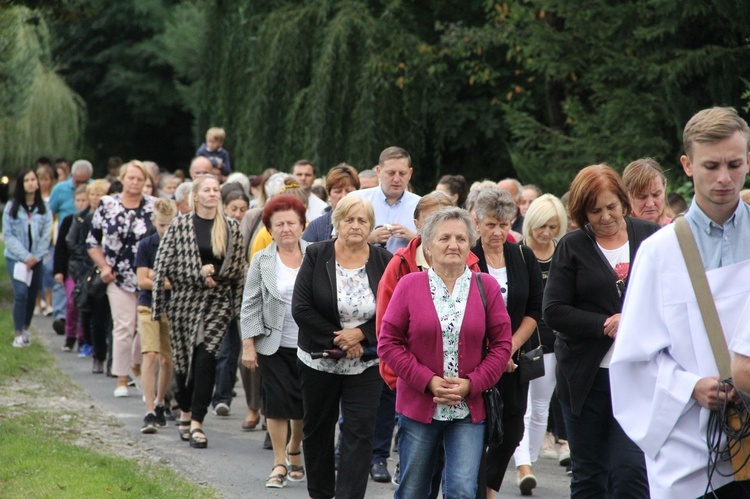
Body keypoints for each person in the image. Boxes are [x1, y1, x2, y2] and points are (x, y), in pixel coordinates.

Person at [610, 106, 750, 498]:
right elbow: (632, 361)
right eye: (711, 165)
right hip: (689, 445)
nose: (724, 178)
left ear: (749, 161)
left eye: (734, 164)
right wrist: (689, 386)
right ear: (687, 165)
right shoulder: (660, 252)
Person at [379, 207, 512, 498]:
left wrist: (471, 384)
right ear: (428, 246)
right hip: (418, 405)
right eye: (445, 238)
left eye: (461, 238)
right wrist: (428, 381)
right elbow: (387, 342)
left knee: (463, 490)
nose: (454, 244)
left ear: (470, 244)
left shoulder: (485, 286)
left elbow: (502, 345)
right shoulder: (409, 285)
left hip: (468, 408)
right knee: (413, 489)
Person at [544, 163, 658, 498]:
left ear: (623, 202)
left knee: (631, 473)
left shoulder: (650, 236)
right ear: (582, 212)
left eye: (611, 207)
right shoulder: (572, 246)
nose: (605, 217)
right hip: (585, 378)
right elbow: (553, 311)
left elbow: (671, 298)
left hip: (638, 376)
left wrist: (631, 319)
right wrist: (603, 325)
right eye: (595, 211)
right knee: (590, 476)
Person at [292, 195, 392, 499]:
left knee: (360, 434)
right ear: (337, 222)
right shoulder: (316, 254)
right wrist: (341, 338)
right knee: (318, 431)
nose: (355, 226)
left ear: (371, 226)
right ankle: (320, 493)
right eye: (349, 219)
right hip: (320, 360)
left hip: (366, 363)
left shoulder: (384, 261)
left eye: (362, 220)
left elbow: (393, 312)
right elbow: (302, 308)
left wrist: (361, 335)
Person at [151, 175, 246, 448]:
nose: (213, 194)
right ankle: (185, 409)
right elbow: (163, 266)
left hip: (218, 302)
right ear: (195, 195)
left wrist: (237, 309)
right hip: (184, 302)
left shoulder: (231, 227)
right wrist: (196, 273)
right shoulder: (180, 226)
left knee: (206, 359)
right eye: (207, 190)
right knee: (183, 363)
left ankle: (197, 422)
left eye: (216, 190)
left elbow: (239, 270)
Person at [469, 189, 544, 497]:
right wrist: (494, 351)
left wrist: (510, 346)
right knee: (475, 431)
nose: (498, 232)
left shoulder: (522, 255)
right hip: (474, 358)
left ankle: (487, 488)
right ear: (476, 221)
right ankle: (474, 490)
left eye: (504, 224)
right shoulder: (468, 255)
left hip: (514, 361)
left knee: (512, 429)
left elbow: (536, 308)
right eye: (490, 225)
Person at [240, 194, 309, 488]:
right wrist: (248, 344)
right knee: (277, 404)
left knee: (305, 405)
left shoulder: (316, 254)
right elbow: (250, 303)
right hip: (273, 344)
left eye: (291, 223)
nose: (285, 229)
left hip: (309, 345)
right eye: (278, 224)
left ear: (302, 226)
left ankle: (296, 447)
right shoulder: (262, 259)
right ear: (269, 229)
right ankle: (280, 462)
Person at [512, 194, 569, 495]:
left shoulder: (563, 251)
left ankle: (529, 461)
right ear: (530, 223)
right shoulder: (518, 253)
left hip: (554, 343)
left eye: (552, 226)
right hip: (522, 341)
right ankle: (524, 466)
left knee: (540, 407)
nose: (545, 233)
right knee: (522, 407)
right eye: (540, 227)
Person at [87, 160, 156, 398]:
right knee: (124, 326)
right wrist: (104, 266)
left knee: (144, 327)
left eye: (140, 179)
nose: (135, 183)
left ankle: (137, 365)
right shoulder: (108, 204)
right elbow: (92, 241)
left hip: (147, 276)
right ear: (123, 179)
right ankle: (122, 378)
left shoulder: (153, 206)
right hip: (118, 277)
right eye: (131, 178)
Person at [135, 198, 178, 433]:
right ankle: (149, 409)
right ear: (154, 222)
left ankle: (161, 401)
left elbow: (182, 280)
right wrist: (165, 279)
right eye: (162, 225)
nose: (166, 230)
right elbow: (142, 281)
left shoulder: (181, 247)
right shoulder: (146, 245)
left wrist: (155, 275)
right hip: (148, 306)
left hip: (172, 308)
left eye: (170, 225)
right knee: (150, 354)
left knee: (166, 359)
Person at [211, 189, 251, 417]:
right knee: (222, 348)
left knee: (232, 347)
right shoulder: (219, 231)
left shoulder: (249, 230)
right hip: (220, 296)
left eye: (242, 209)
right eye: (233, 209)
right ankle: (216, 394)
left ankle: (223, 396)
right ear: (224, 208)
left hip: (243, 298)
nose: (237, 213)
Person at [3, 169, 53, 347]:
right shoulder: (12, 207)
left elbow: (46, 235)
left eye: (34, 179)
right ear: (21, 184)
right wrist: (25, 256)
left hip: (36, 259)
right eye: (27, 180)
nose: (31, 183)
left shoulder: (44, 208)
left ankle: (25, 328)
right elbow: (8, 236)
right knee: (21, 293)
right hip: (16, 258)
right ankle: (17, 333)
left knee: (32, 295)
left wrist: (35, 257)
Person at [70, 179, 111, 374]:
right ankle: (98, 355)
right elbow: (84, 246)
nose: (96, 198)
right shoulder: (87, 219)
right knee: (97, 315)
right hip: (93, 270)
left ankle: (113, 359)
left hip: (115, 270)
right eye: (93, 194)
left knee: (114, 319)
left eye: (99, 194)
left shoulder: (114, 216)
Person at [351, 146, 421, 254]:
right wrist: (369, 238)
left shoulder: (421, 205)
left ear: (410, 173)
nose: (396, 179)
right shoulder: (356, 199)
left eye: (402, 174)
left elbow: (435, 246)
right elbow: (338, 240)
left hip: (406, 270)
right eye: (391, 173)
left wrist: (414, 239)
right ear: (379, 171)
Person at [54, 185, 90, 352]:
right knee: (71, 301)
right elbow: (61, 247)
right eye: (78, 200)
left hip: (87, 269)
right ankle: (70, 335)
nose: (81, 203)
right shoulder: (69, 220)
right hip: (72, 268)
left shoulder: (93, 219)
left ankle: (82, 336)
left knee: (84, 303)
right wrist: (58, 271)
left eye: (84, 200)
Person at [303, 163, 360, 243]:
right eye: (337, 191)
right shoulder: (316, 227)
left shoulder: (370, 223)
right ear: (328, 193)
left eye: (349, 191)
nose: (343, 196)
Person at [622, 158, 671, 226]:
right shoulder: (619, 234)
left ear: (665, 186)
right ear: (626, 195)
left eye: (656, 195)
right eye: (642, 197)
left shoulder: (675, 230)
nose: (650, 204)